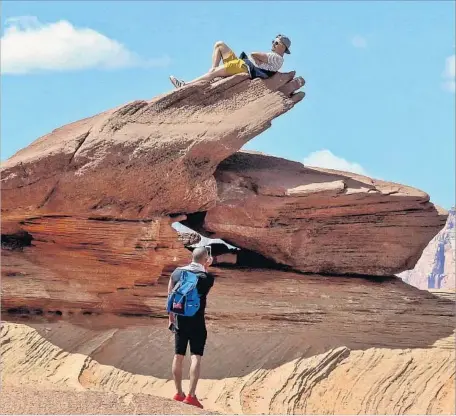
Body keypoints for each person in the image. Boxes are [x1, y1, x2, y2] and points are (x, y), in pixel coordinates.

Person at [168, 246, 215, 409]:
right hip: (197, 320)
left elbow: (170, 296)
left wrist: (171, 318)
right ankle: (191, 396)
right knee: (196, 356)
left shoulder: (177, 272)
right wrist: (206, 267)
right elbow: (203, 283)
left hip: (180, 319)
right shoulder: (207, 277)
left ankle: (178, 393)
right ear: (205, 259)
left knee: (178, 355)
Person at [169, 34, 291, 88]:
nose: (273, 44)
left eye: (276, 42)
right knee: (219, 44)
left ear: (283, 47)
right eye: (273, 42)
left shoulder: (277, 58)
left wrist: (255, 59)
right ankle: (213, 71)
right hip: (243, 63)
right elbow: (257, 57)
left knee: (214, 70)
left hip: (244, 67)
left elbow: (255, 54)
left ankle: (185, 85)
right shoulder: (275, 57)